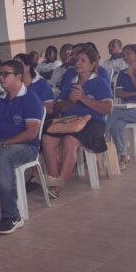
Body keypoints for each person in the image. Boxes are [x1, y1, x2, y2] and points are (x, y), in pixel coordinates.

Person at [0, 60, 44, 233]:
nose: (1, 78)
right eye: (0, 74)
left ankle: (12, 216)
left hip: (26, 147)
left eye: (5, 74)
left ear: (18, 76)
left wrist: (1, 145)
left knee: (2, 156)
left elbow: (31, 133)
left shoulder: (30, 98)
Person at [43, 46, 113, 198]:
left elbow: (108, 108)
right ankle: (54, 179)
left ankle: (58, 186)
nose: (78, 63)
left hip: (93, 122)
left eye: (83, 61)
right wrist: (70, 101)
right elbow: (60, 106)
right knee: (47, 139)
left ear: (93, 64)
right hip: (70, 121)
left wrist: (83, 99)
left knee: (70, 141)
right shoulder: (71, 80)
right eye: (77, 60)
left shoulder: (100, 82)